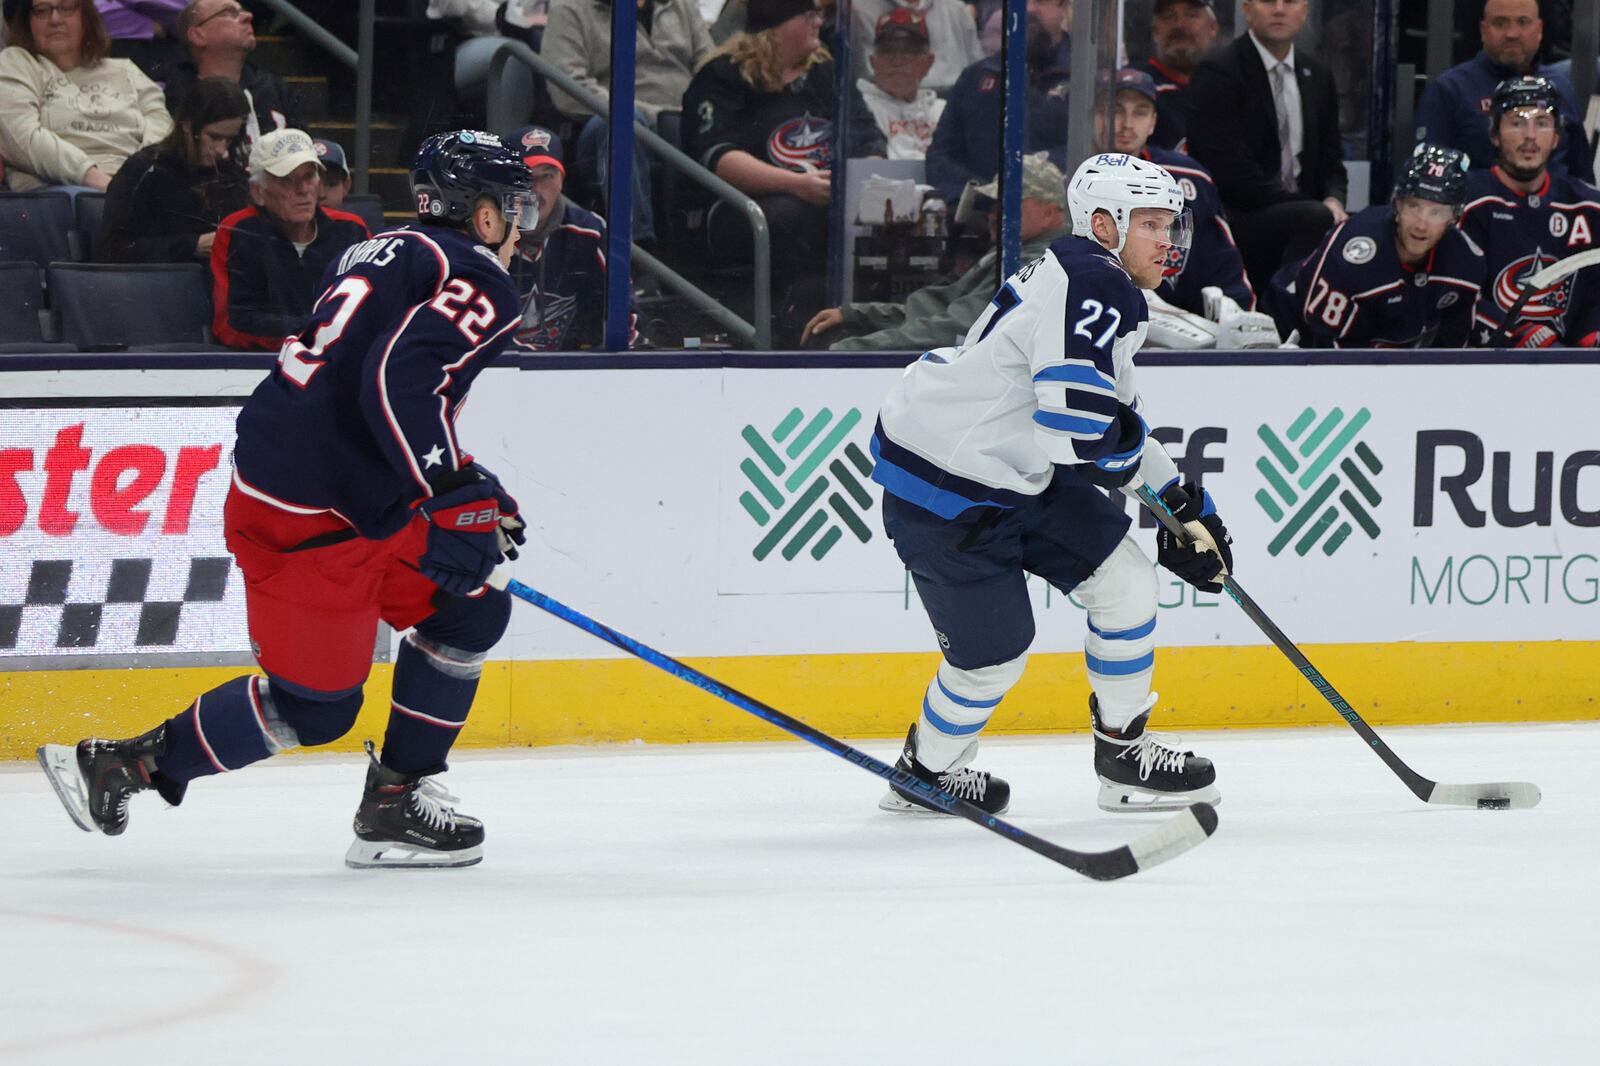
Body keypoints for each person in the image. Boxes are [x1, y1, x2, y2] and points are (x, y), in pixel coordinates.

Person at [36, 130, 537, 870]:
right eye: (513, 204)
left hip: (321, 493)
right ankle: (124, 765)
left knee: (471, 607)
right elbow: (397, 383)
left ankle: (397, 800)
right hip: (317, 523)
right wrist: (450, 487)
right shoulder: (480, 279)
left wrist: (464, 481)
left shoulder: (373, 248)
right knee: (317, 707)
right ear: (483, 214)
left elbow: (359, 386)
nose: (522, 223)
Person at [867, 152, 1227, 817]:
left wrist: (1180, 500)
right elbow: (1076, 434)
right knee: (992, 657)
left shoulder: (1097, 279)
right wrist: (1155, 502)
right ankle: (926, 772)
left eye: (1169, 224)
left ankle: (1125, 756)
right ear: (1102, 223)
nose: (1166, 240)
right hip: (944, 484)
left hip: (1013, 469)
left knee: (1126, 582)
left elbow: (1111, 421)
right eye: (1149, 223)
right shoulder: (1096, 282)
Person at [682, 0, 884, 341]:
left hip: (827, 199)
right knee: (792, 215)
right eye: (809, 15)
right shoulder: (724, 74)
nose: (819, 21)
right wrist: (795, 184)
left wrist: (860, 181)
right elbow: (718, 156)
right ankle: (790, 327)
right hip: (743, 207)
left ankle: (866, 323)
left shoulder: (824, 72)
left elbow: (869, 137)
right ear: (777, 24)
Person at [801, 152, 1069, 350]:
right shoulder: (1011, 253)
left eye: (1010, 204)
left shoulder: (1036, 264)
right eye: (994, 205)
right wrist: (858, 314)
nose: (993, 214)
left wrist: (852, 350)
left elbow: (955, 328)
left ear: (1048, 213)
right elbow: (938, 309)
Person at [1183, 0, 1347, 299]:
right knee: (1314, 218)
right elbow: (1231, 171)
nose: (1279, 9)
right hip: (1240, 215)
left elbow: (1332, 158)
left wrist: (1334, 198)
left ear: (1305, 11)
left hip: (1304, 211)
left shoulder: (1317, 73)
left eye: (1290, 2)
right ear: (1246, 9)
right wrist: (1310, 207)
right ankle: (1281, 315)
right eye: (1269, 1)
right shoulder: (1218, 71)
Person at [1266, 144, 1486, 348]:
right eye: (1414, 206)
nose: (1421, 225)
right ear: (1397, 204)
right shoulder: (1354, 256)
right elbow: (1324, 344)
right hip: (1289, 329)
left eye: (1436, 212)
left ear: (1454, 217)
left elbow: (1452, 348)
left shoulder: (1466, 264)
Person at [542, 0, 712, 245]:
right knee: (625, 123)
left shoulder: (681, 5)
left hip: (684, 118)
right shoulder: (570, 9)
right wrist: (653, 114)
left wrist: (700, 107)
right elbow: (568, 89)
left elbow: (710, 66)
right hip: (610, 124)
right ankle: (637, 255)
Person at [1100, 67, 1254, 317]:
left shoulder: (1189, 178)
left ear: (1153, 123)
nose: (1127, 124)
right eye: (1115, 110)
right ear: (1095, 115)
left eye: (1140, 113)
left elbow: (1222, 266)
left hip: (1174, 336)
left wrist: (1238, 318)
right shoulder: (1065, 174)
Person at [1460, 76, 1600, 348]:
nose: (1530, 135)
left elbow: (1597, 294)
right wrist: (1520, 335)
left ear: (1557, 137)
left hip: (1569, 367)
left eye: (1542, 122)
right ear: (1494, 135)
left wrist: (1592, 336)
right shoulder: (1466, 203)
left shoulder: (1589, 207)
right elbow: (1453, 294)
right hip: (1480, 367)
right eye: (1517, 122)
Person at [211, 127, 370, 350]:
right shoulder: (238, 230)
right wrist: (313, 332)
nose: (303, 189)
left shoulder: (352, 229)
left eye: (309, 176)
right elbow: (232, 325)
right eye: (287, 180)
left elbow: (371, 309)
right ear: (258, 192)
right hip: (263, 364)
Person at [0, 0, 173, 192]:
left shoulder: (125, 70)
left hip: (133, 186)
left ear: (86, 17)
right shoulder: (16, 63)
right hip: (61, 188)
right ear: (28, 21)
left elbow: (162, 127)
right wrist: (96, 179)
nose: (55, 19)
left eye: (67, 8)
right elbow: (19, 136)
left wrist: (139, 178)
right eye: (42, 11)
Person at [1415, 0, 1593, 184]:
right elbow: (1428, 180)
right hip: (1476, 208)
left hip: (1557, 209)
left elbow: (1583, 176)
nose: (1512, 34)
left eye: (1523, 22)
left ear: (1539, 29)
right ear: (1483, 30)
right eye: (1500, 23)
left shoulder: (1561, 87)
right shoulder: (1449, 89)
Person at [925, 0, 1070, 206]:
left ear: (1065, 8)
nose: (1028, 9)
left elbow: (1095, 152)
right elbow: (940, 159)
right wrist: (984, 195)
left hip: (1061, 221)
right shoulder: (976, 78)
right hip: (986, 224)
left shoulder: (1085, 79)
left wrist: (1039, 183)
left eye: (1041, 0)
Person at [504, 125, 638, 349]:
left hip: (572, 374)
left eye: (547, 176)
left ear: (561, 181)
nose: (536, 190)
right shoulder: (482, 237)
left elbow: (627, 318)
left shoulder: (589, 232)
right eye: (524, 177)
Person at [96, 74, 250, 263]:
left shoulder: (234, 177)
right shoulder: (144, 170)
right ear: (187, 125)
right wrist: (192, 246)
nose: (221, 149)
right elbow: (111, 249)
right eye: (214, 137)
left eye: (230, 139)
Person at [163, 0, 302, 149]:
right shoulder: (176, 96)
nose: (248, 16)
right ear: (197, 35)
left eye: (243, 11)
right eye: (228, 13)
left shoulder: (277, 90)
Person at [856, 7, 943, 160]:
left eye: (909, 51)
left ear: (928, 62)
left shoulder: (944, 111)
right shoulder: (859, 109)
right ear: (873, 62)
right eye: (887, 51)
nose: (897, 60)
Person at [848, 0, 979, 94]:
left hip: (956, 106)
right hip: (886, 110)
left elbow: (978, 75)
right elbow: (867, 77)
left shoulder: (956, 9)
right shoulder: (859, 9)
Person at [1139, 0, 1218, 152]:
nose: (1179, 25)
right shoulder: (1134, 89)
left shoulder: (1232, 87)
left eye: (1191, 15)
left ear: (1213, 28)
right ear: (1155, 30)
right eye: (1168, 16)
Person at [96, 0, 186, 79]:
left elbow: (186, 11)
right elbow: (98, 17)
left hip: (169, 51)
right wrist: (147, 24)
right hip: (115, 52)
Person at [312, 136, 351, 209]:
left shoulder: (358, 220)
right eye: (312, 184)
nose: (321, 195)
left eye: (331, 184)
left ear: (346, 186)